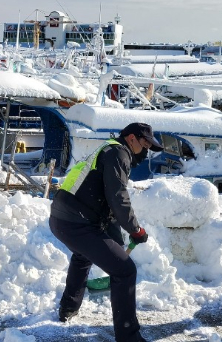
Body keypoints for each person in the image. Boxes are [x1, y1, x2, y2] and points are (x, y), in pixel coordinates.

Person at [50, 122, 163, 342]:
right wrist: (136, 229)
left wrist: (119, 239)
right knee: (125, 271)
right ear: (131, 138)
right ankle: (129, 337)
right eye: (145, 143)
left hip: (63, 218)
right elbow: (118, 196)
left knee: (83, 257)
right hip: (76, 221)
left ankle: (68, 309)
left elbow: (106, 203)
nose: (147, 150)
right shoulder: (118, 153)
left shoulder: (109, 149)